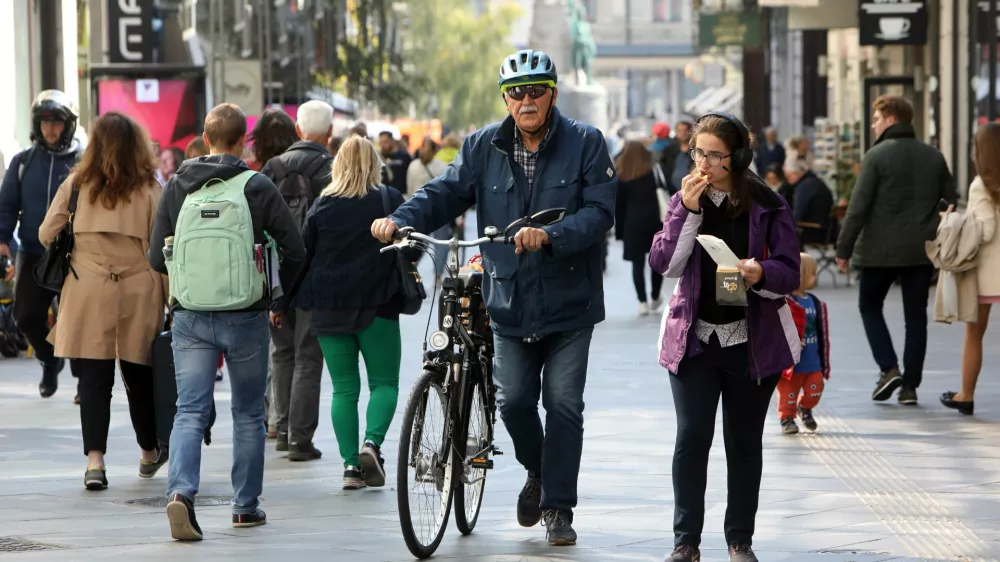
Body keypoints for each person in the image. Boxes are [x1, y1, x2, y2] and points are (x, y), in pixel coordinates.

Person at [371, 48, 616, 547]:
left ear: (551, 95)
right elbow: (444, 191)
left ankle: (558, 508)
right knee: (515, 402)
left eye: (535, 91)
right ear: (505, 100)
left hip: (570, 303)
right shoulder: (483, 146)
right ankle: (539, 470)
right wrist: (401, 218)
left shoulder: (586, 143)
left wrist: (553, 235)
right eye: (516, 93)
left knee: (564, 404)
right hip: (507, 299)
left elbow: (600, 212)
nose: (526, 101)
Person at [149, 103, 306, 541]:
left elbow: (153, 256)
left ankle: (180, 494)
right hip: (246, 313)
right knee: (248, 412)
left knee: (190, 410)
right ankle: (245, 507)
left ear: (204, 134)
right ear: (243, 142)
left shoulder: (177, 183)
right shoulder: (256, 185)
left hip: (191, 314)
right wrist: (278, 297)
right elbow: (294, 250)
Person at [649, 111, 801, 562]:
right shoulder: (685, 199)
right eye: (699, 153)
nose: (706, 164)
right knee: (692, 436)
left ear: (737, 157)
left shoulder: (768, 203)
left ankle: (740, 540)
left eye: (716, 156)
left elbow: (790, 271)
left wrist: (760, 272)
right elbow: (664, 263)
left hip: (752, 340)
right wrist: (688, 212)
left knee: (743, 440)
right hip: (694, 338)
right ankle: (685, 543)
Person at [38, 112, 168, 490]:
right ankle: (147, 451)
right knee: (139, 375)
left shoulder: (76, 184)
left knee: (94, 379)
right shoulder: (149, 187)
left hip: (87, 288)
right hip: (138, 288)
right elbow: (160, 249)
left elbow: (47, 233)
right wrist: (170, 298)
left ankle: (96, 463)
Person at [281, 136, 406, 490]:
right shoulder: (388, 200)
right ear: (375, 164)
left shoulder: (322, 206)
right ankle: (372, 444)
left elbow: (301, 257)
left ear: (338, 166)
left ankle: (351, 467)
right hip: (377, 304)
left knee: (343, 389)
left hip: (329, 307)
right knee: (384, 384)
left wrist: (281, 304)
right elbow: (410, 249)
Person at [836, 95, 958, 406]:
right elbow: (949, 200)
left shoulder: (876, 156)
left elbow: (858, 207)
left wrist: (844, 248)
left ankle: (889, 368)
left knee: (869, 305)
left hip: (879, 250)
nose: (874, 125)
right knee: (916, 317)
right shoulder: (933, 156)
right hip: (920, 250)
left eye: (876, 119)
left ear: (891, 119)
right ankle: (910, 388)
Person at [258, 100, 335, 461]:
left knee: (283, 354)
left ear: (299, 131)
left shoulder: (271, 169)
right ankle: (300, 439)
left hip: (277, 277)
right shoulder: (333, 170)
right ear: (330, 133)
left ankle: (282, 427)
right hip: (317, 280)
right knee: (308, 358)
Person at [0, 90, 83, 398]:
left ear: (68, 124)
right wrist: (3, 240)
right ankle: (50, 360)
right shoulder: (22, 162)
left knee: (75, 319)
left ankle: (83, 381)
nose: (50, 128)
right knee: (25, 316)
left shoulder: (85, 160)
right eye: (44, 122)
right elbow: (7, 205)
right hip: (34, 253)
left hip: (76, 255)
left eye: (57, 122)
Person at [939, 123, 1000, 416]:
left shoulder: (981, 185)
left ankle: (966, 395)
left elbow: (985, 232)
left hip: (989, 274)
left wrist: (955, 220)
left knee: (974, 335)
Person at [777, 253, 830, 434]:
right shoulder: (785, 302)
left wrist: (825, 363)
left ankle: (805, 408)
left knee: (815, 391)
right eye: (812, 273)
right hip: (791, 365)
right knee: (787, 396)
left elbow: (823, 333)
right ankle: (787, 418)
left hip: (813, 362)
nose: (815, 277)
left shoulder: (815, 302)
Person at [614, 140, 665, 316]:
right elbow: (667, 190)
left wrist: (619, 232)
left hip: (632, 223)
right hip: (654, 222)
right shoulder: (653, 171)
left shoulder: (622, 175)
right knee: (656, 262)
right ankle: (655, 296)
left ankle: (642, 301)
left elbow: (618, 207)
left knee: (638, 264)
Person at [783, 158, 834, 247]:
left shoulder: (804, 186)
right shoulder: (814, 181)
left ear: (796, 173)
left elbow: (797, 215)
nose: (788, 180)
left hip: (813, 230)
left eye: (788, 176)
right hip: (824, 228)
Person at [378, 131, 412, 196]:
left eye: (385, 142)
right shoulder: (379, 158)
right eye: (381, 142)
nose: (383, 145)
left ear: (392, 141)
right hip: (386, 196)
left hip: (402, 194)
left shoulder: (404, 156)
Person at [668, 121, 694, 195]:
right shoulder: (670, 150)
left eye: (686, 130)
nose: (683, 133)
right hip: (672, 191)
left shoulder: (696, 150)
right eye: (680, 131)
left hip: (690, 190)